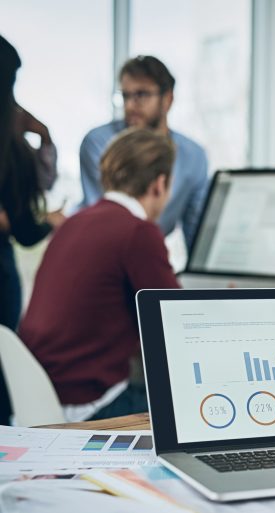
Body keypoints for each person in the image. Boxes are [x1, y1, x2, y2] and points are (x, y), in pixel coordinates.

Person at [19, 128, 180, 421]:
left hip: (33, 398)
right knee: (187, 403)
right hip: (84, 407)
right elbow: (179, 321)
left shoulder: (74, 223)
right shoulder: (138, 232)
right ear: (160, 184)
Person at [79, 55, 208, 250]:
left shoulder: (193, 156)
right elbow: (106, 217)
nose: (130, 106)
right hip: (101, 249)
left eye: (141, 95)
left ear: (168, 99)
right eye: (125, 96)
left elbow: (197, 233)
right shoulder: (100, 143)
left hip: (149, 250)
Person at [0, 35, 64, 331]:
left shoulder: (12, 145)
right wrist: (50, 221)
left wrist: (44, 136)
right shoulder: (10, 144)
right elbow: (24, 229)